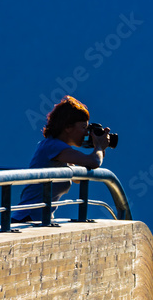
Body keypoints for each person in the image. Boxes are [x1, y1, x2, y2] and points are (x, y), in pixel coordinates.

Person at [12, 95, 111, 223]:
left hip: (35, 220)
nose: (87, 133)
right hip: (26, 219)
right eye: (83, 128)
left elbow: (78, 178)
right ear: (68, 127)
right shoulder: (53, 147)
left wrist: (100, 148)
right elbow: (94, 162)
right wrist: (98, 146)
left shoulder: (59, 149)